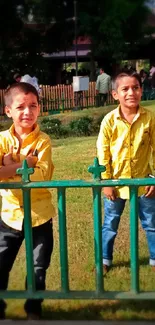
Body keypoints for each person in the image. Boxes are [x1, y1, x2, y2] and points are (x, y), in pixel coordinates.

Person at [0, 82, 55, 319]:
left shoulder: (43, 141)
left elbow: (43, 174)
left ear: (39, 108)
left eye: (33, 105)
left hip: (39, 216)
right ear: (8, 111)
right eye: (20, 106)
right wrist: (26, 163)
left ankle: (33, 309)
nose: (27, 112)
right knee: (1, 265)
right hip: (9, 216)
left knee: (38, 268)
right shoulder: (1, 139)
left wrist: (7, 164)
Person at [97, 71, 155, 274]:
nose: (131, 92)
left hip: (143, 182)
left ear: (141, 90)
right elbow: (103, 153)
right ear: (115, 94)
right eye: (125, 89)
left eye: (136, 87)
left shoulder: (150, 118)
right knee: (110, 224)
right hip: (116, 182)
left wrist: (154, 179)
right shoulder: (109, 121)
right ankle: (104, 260)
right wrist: (107, 182)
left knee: (151, 223)